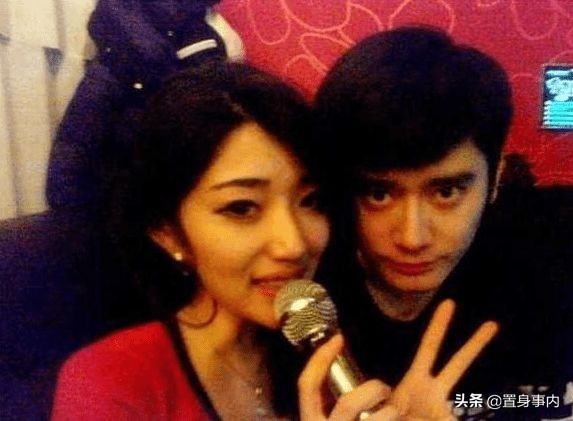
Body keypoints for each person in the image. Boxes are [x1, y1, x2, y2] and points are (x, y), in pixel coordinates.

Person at [49, 61, 405, 421]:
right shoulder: (108, 382)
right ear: (167, 232)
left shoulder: (330, 357)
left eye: (311, 201)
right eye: (241, 208)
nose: (294, 245)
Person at [315, 26, 573, 420]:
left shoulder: (551, 248)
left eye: (447, 191)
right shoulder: (308, 288)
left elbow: (552, 402)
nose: (412, 238)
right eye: (378, 194)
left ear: (496, 177)